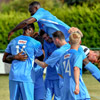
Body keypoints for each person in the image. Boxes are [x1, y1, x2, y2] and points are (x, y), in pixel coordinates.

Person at [2, 23, 43, 100]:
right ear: (30, 29)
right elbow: (41, 58)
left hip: (14, 76)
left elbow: (4, 59)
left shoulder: (13, 41)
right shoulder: (35, 43)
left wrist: (15, 57)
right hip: (27, 77)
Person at [58, 32, 90, 100]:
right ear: (80, 42)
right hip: (76, 87)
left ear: (69, 42)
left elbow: (60, 73)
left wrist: (67, 78)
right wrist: (77, 85)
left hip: (66, 87)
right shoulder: (78, 55)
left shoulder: (63, 56)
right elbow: (76, 68)